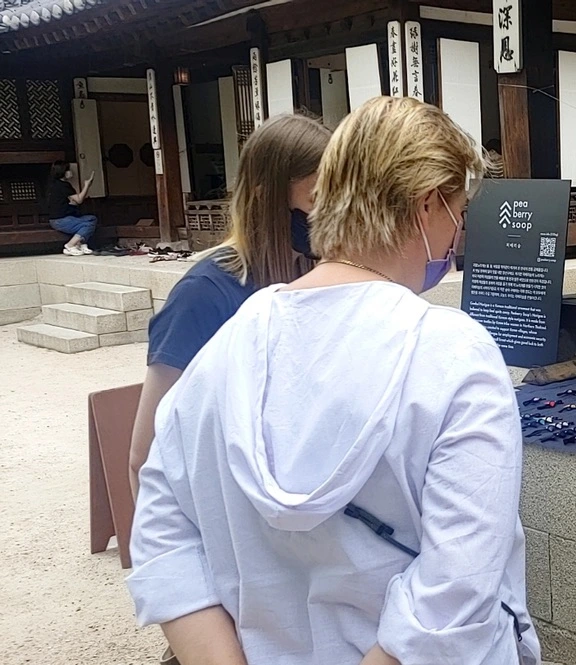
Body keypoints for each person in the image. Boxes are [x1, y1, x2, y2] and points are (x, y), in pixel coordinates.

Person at [127, 97, 540, 665]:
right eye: (459, 212)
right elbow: (458, 584)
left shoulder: (229, 344)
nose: (459, 233)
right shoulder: (452, 353)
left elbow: (162, 530)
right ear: (427, 204)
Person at [128, 113, 330, 499]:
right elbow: (145, 455)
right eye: (317, 198)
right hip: (224, 501)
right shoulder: (203, 294)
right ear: (266, 196)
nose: (330, 214)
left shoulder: (315, 278)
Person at [44, 161, 97, 256]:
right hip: (61, 220)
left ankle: (80, 244)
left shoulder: (54, 184)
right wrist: (87, 185)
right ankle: (70, 245)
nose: (71, 172)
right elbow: (79, 200)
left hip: (57, 219)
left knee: (91, 219)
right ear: (62, 172)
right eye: (68, 170)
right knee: (88, 224)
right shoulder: (64, 185)